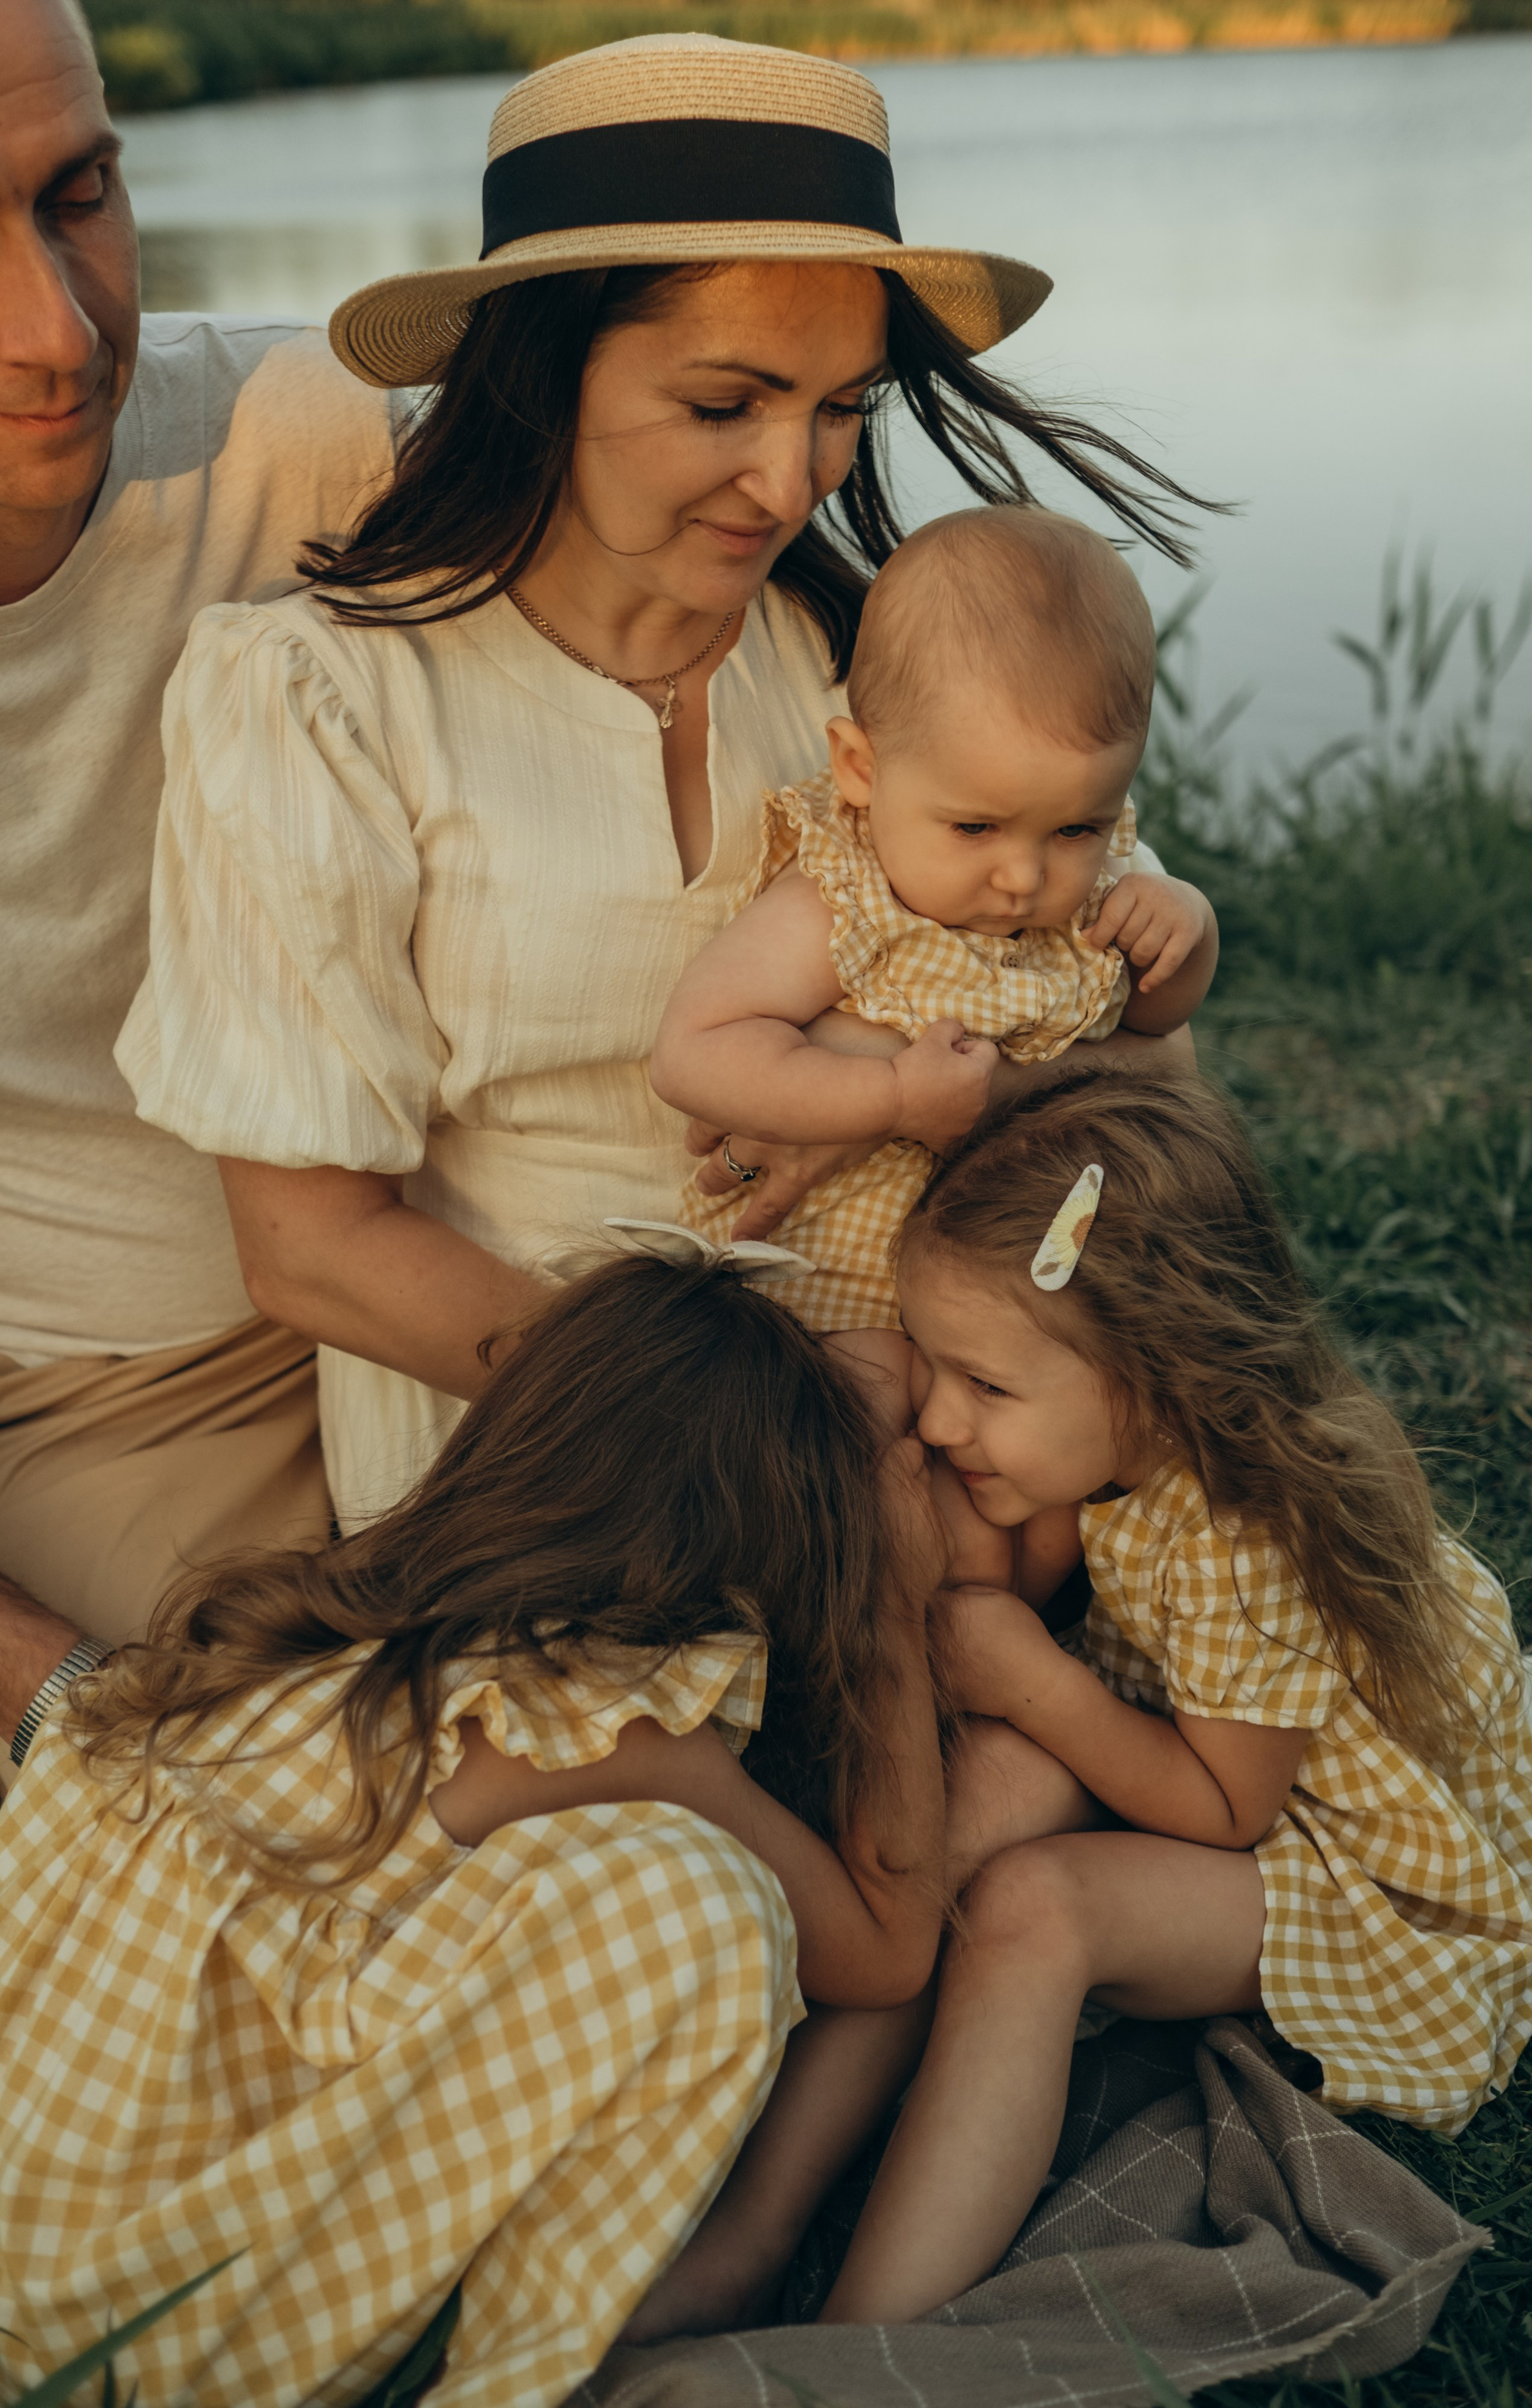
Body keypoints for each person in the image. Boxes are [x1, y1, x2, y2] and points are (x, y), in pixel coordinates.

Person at [115, 31, 1217, 1534]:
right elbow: (312, 1253)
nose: (794, 480)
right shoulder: (318, 701)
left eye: (842, 406)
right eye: (721, 406)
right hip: (541, 1457)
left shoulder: (863, 666)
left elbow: (1141, 1059)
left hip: (938, 1432)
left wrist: (885, 1103)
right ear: (542, 372)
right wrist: (742, 1431)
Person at [628, 1070, 1532, 2338]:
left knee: (1033, 1910)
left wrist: (1033, 1681)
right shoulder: (1096, 1455)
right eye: (934, 1366)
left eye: (986, 1388)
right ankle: (753, 2222)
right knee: (972, 1808)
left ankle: (861, 2342)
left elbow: (1228, 1810)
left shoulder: (1246, 1535)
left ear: (1156, 1379)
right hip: (1201, 1767)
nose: (939, 1418)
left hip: (1347, 1872)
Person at [0, 1251, 947, 2408]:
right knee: (706, 1909)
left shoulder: (311, 1632)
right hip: (122, 2368)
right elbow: (888, 1947)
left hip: (29, 2271)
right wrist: (892, 1606)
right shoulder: (602, 1723)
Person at [0, 0, 401, 1760]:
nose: (57, 336)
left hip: (459, 1271)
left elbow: (722, 524)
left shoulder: (308, 444)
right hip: (120, 1400)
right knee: (347, 1782)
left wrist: (1114, 900)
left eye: (78, 196)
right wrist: (59, 1702)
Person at [654, 506, 1217, 1411]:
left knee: (1109, 1411)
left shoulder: (1103, 883)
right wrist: (891, 1098)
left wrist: (1186, 931)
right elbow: (693, 1052)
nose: (1024, 877)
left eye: (1077, 828)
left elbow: (1157, 1025)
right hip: (850, 1279)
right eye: (975, 828)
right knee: (873, 1419)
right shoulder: (844, 896)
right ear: (861, 770)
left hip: (1033, 1272)